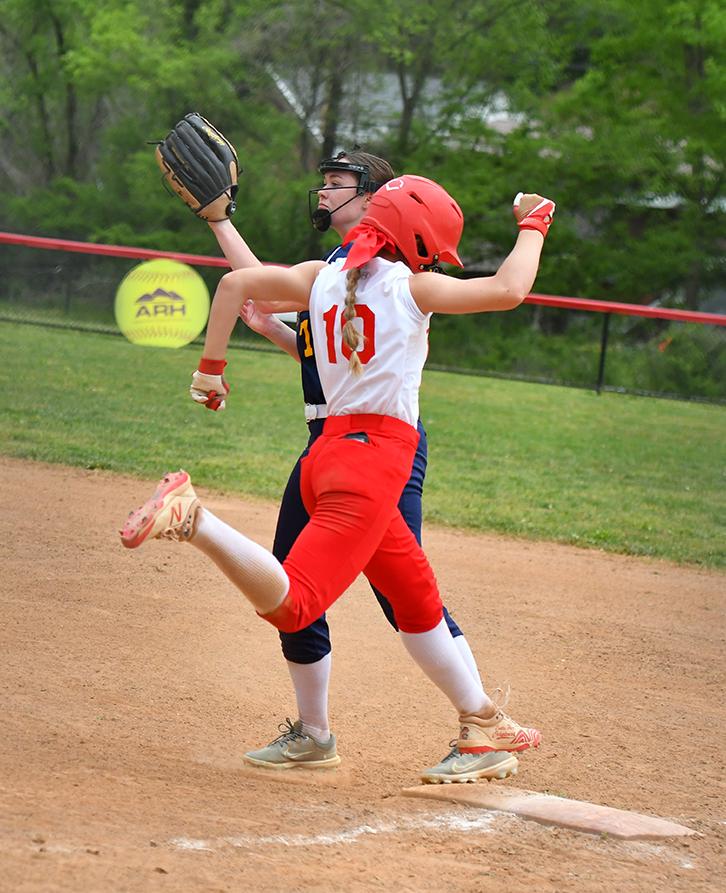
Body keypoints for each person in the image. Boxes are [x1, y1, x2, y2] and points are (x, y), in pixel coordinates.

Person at [120, 176, 555, 779]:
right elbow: (509, 289)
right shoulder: (413, 285)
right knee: (297, 604)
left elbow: (235, 284)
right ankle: (195, 520)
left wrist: (210, 370)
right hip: (377, 458)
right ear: (419, 241)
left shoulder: (322, 278)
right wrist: (534, 224)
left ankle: (481, 723)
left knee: (413, 595)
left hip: (324, 450)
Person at [202, 151, 505, 784]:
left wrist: (222, 235)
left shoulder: (386, 274)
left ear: (376, 201)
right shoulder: (339, 271)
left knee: (403, 596)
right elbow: (301, 329)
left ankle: (481, 727)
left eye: (340, 184)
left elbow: (253, 281)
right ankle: (314, 734)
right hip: (328, 441)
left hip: (378, 449)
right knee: (293, 577)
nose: (324, 191)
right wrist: (221, 224)